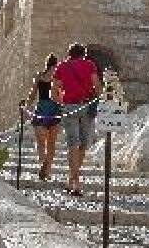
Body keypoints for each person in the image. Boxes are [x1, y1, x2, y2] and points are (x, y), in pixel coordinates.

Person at [52, 42, 101, 197]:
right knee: (83, 145)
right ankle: (74, 182)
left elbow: (54, 90)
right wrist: (96, 99)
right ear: (83, 54)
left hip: (69, 107)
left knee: (73, 144)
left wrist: (62, 103)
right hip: (86, 106)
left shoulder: (61, 66)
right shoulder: (89, 64)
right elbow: (97, 86)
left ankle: (73, 181)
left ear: (69, 53)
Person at [25, 54, 62, 181]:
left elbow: (32, 94)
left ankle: (43, 165)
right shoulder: (58, 78)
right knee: (51, 143)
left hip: (41, 108)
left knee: (41, 142)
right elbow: (61, 95)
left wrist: (26, 106)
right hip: (55, 109)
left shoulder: (39, 76)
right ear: (56, 64)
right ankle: (47, 169)